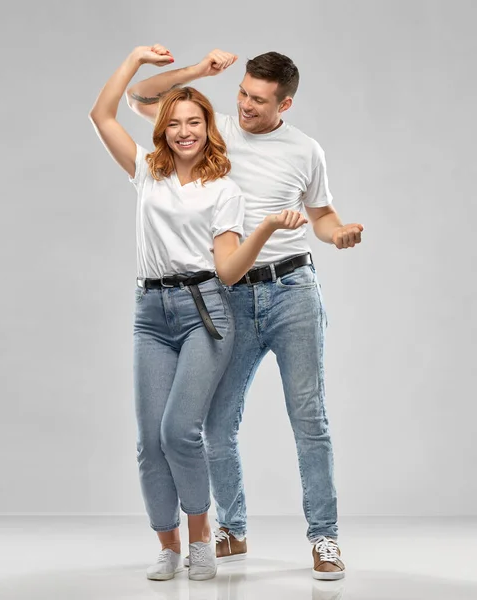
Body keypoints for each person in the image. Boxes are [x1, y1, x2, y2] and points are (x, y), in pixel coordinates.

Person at [127, 46, 364, 581]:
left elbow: (322, 215)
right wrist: (196, 72)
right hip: (226, 294)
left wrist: (338, 233)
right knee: (214, 423)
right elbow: (141, 99)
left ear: (286, 103)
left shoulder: (306, 151)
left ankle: (324, 538)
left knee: (310, 420)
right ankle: (232, 528)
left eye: (257, 99)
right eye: (242, 93)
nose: (245, 104)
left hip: (293, 291)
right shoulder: (215, 133)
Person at [88, 45, 308, 583]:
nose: (185, 131)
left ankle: (202, 538)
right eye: (175, 123)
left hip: (204, 312)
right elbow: (103, 112)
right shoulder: (146, 171)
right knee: (148, 441)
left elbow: (229, 271)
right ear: (162, 130)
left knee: (180, 432)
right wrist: (137, 58)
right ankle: (167, 546)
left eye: (196, 122)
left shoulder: (224, 190)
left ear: (210, 129)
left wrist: (266, 229)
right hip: (150, 313)